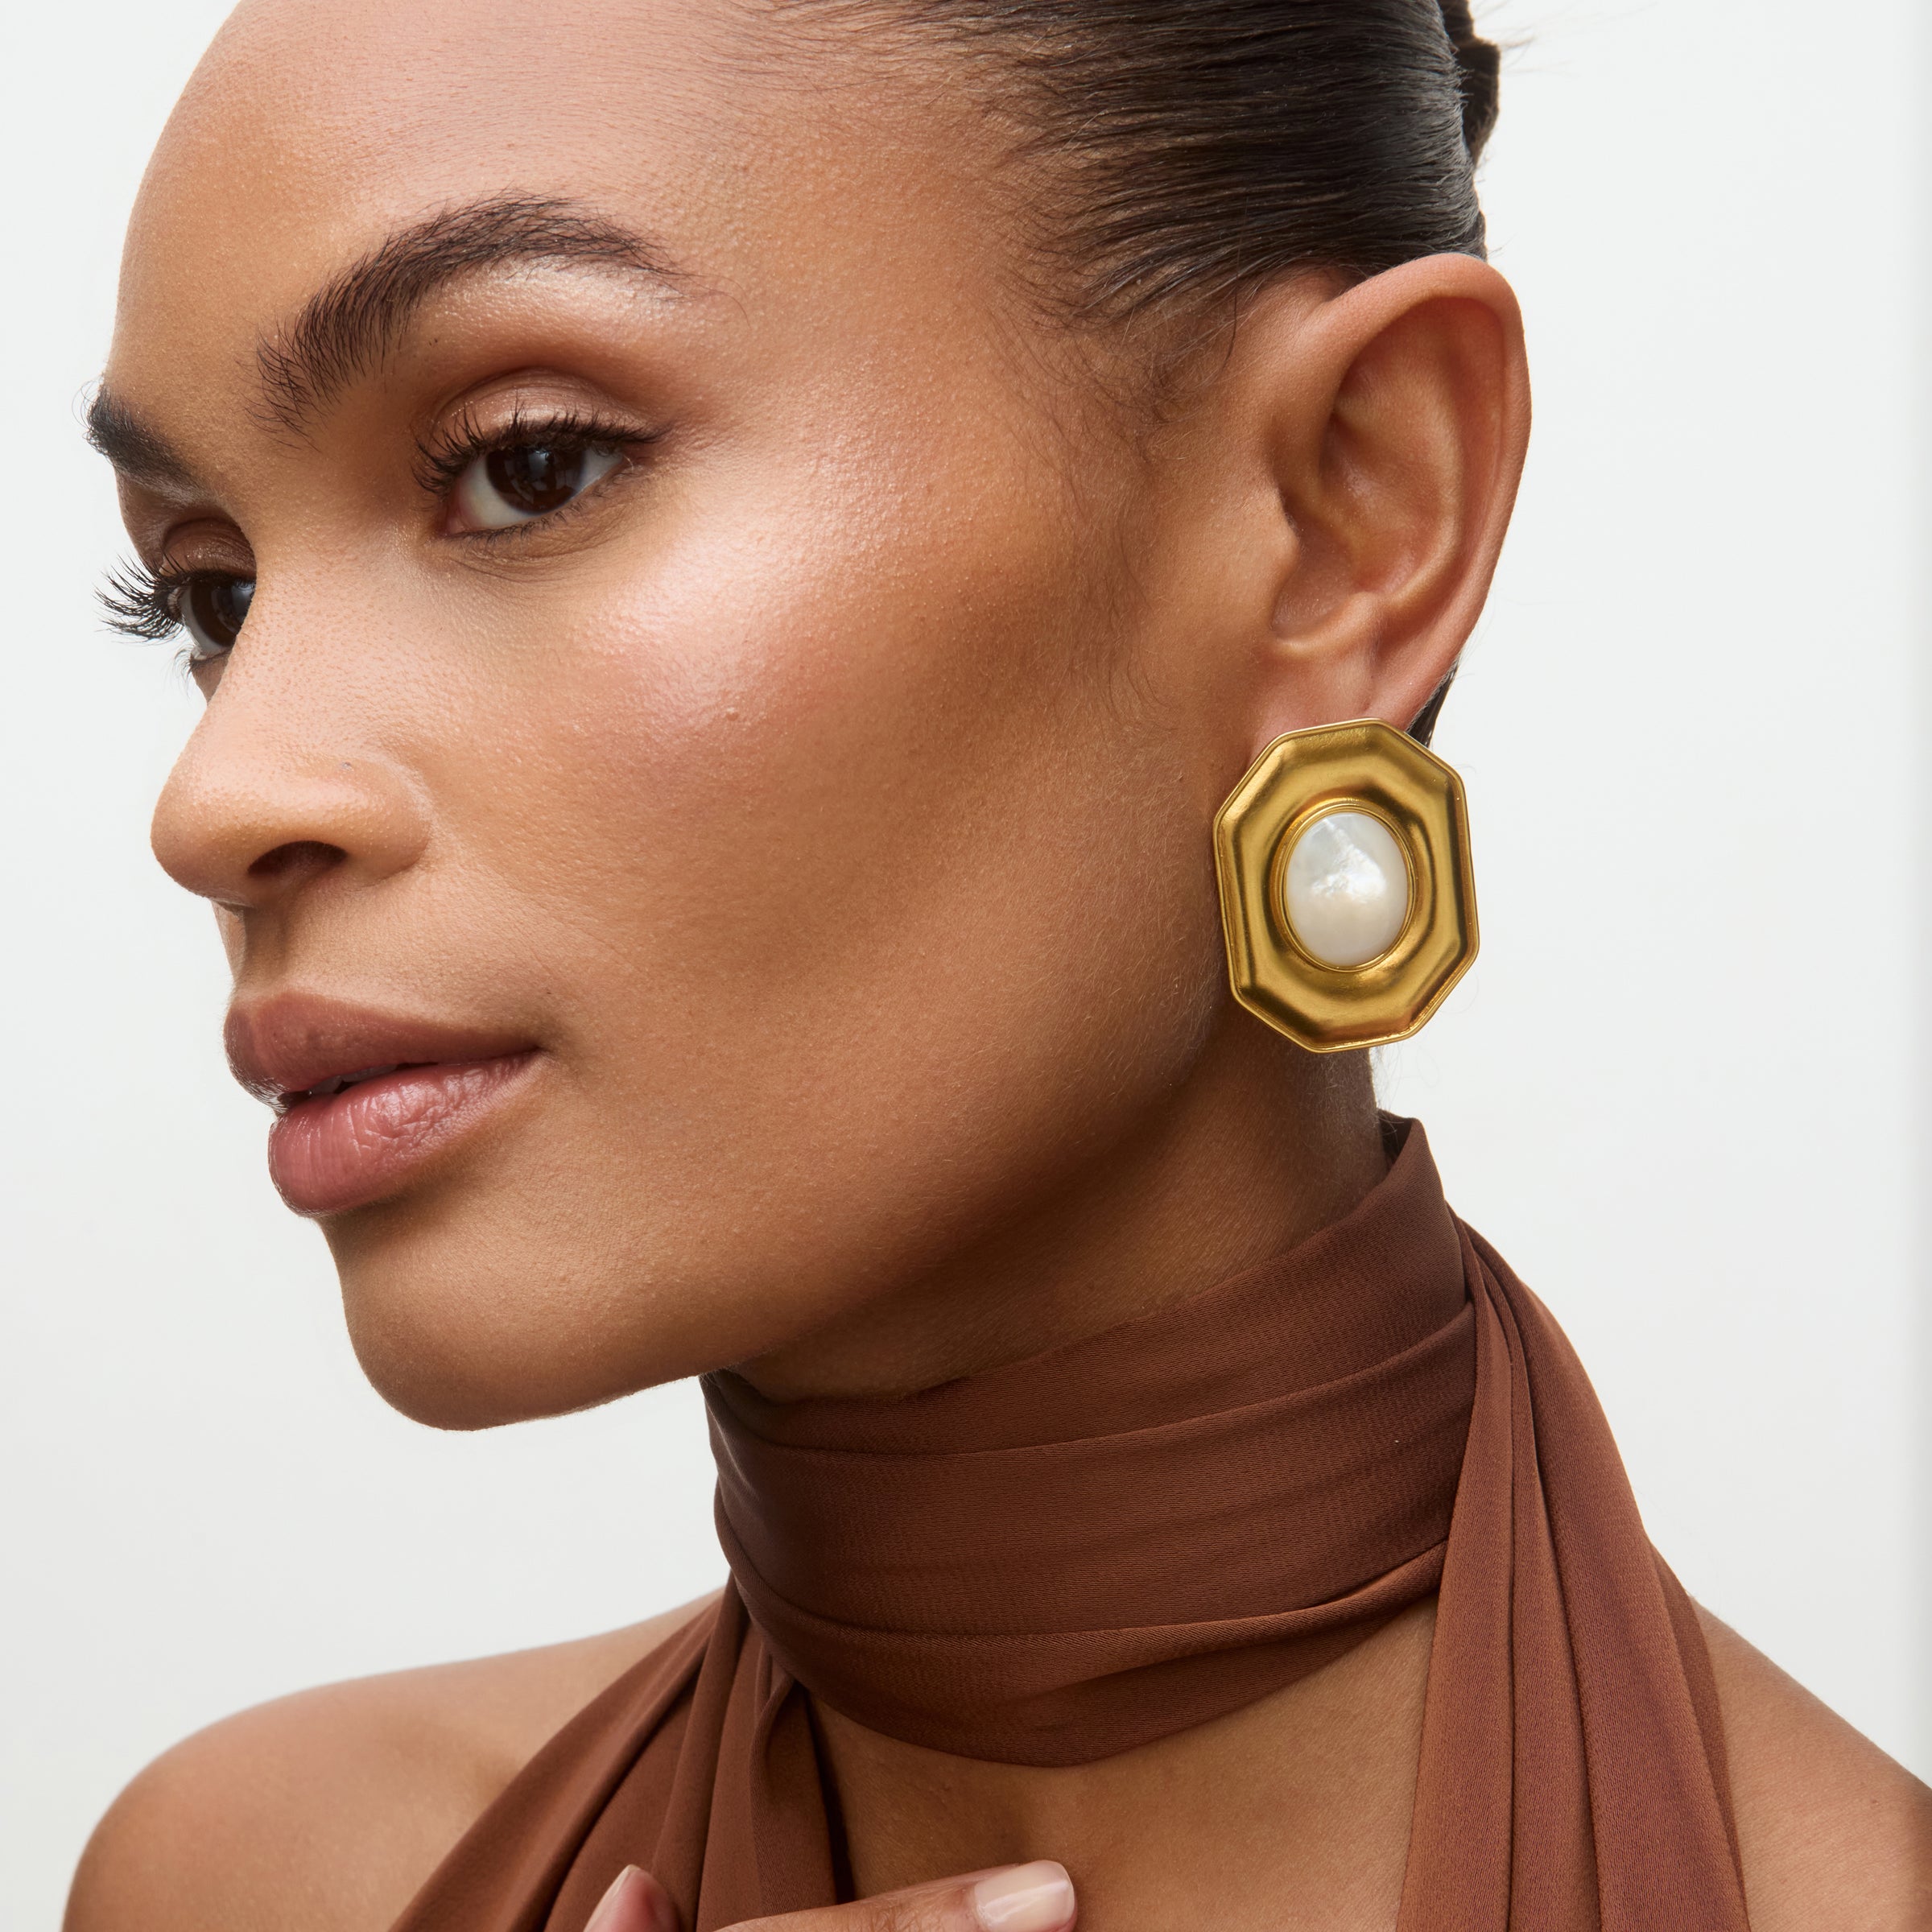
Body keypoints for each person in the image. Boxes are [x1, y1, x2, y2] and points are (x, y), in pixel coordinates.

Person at [64, 0, 1930, 1928]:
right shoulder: (261, 1881)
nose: (221, 794)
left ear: (1349, 513)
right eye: (208, 592)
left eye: (529, 466)